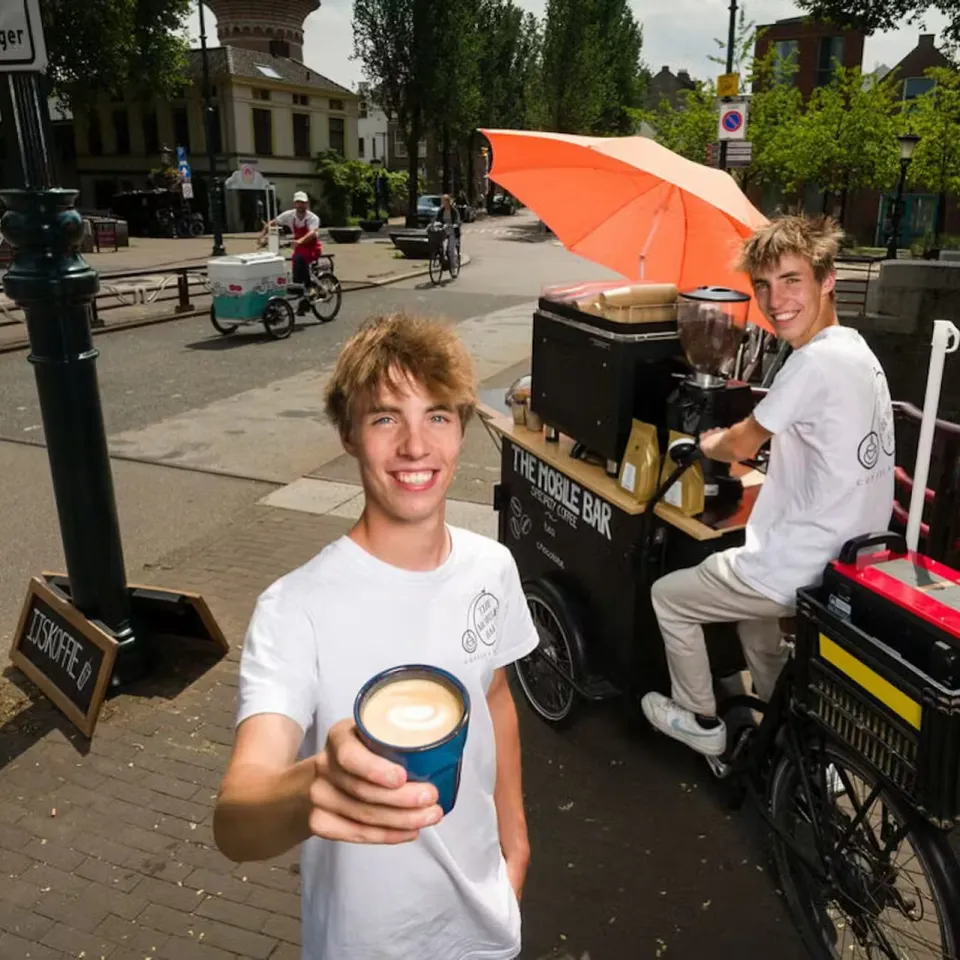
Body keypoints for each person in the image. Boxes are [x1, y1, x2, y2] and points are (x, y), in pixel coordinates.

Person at [214, 313, 538, 960]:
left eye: (438, 416)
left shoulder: (492, 568)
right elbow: (237, 819)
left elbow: (496, 696)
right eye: (387, 417)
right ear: (349, 436)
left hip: (484, 927)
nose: (417, 446)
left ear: (461, 430)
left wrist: (517, 836)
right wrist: (312, 786)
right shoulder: (292, 609)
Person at [641, 215, 895, 758]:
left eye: (791, 280)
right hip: (848, 557)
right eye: (763, 285)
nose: (775, 300)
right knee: (754, 627)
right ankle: (789, 733)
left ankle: (697, 717)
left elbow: (739, 443)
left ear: (828, 279)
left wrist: (708, 443)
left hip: (798, 560)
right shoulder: (858, 353)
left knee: (670, 598)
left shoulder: (813, 363)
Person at [260, 190, 322, 290]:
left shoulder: (312, 218)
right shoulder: (289, 215)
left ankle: (308, 287)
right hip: (298, 247)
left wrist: (300, 241)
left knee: (299, 260)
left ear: (306, 204)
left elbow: (312, 232)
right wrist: (262, 236)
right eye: (298, 202)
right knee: (294, 262)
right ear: (295, 203)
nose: (300, 205)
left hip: (312, 247)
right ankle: (301, 290)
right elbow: (273, 223)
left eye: (302, 203)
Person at [433, 193, 461, 273]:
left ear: (448, 202)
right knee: (442, 247)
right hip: (444, 231)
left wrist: (455, 224)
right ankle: (444, 262)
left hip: (452, 232)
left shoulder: (454, 211)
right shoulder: (441, 211)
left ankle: (453, 266)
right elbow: (436, 219)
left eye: (444, 202)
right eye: (442, 202)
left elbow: (457, 220)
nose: (443, 204)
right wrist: (435, 223)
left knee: (451, 249)